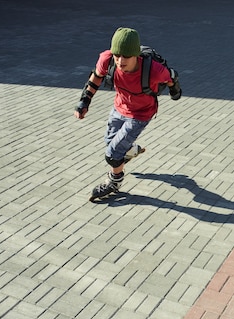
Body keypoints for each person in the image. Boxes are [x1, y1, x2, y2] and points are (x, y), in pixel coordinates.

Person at [74, 27, 181, 201]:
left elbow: (171, 76)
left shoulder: (153, 70)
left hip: (141, 113)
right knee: (110, 141)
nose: (120, 61)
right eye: (117, 55)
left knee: (112, 152)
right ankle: (130, 151)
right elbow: (96, 77)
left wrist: (175, 91)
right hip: (119, 107)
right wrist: (84, 101)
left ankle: (114, 181)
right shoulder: (107, 59)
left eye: (126, 56)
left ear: (136, 55)